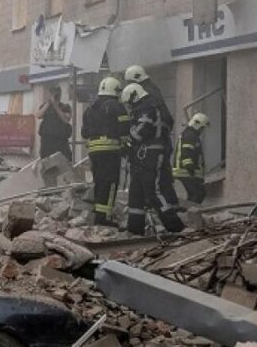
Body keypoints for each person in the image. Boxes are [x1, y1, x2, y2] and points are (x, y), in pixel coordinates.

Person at [120, 83, 184, 236]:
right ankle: (135, 230)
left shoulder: (147, 108)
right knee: (135, 192)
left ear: (134, 96)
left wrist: (125, 131)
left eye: (129, 103)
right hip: (141, 156)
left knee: (153, 191)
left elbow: (140, 133)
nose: (128, 106)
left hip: (152, 155)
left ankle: (175, 226)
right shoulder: (139, 109)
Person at [83, 76, 128, 226]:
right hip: (110, 150)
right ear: (115, 90)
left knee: (100, 181)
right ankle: (104, 218)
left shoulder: (90, 108)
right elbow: (125, 129)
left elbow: (84, 133)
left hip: (94, 151)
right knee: (110, 183)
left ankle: (98, 213)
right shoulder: (117, 106)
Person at [173, 112, 208, 205]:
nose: (202, 130)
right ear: (197, 124)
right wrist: (191, 171)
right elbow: (186, 154)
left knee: (194, 194)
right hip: (186, 171)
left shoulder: (190, 134)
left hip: (187, 171)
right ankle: (190, 212)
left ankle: (187, 211)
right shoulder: (190, 135)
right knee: (199, 193)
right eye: (202, 128)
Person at [36, 86, 73, 161]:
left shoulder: (65, 107)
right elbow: (39, 115)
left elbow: (66, 119)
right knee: (46, 161)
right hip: (47, 140)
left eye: (57, 93)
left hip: (61, 140)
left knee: (65, 159)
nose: (56, 95)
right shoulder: (44, 106)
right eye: (53, 93)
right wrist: (48, 103)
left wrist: (55, 105)